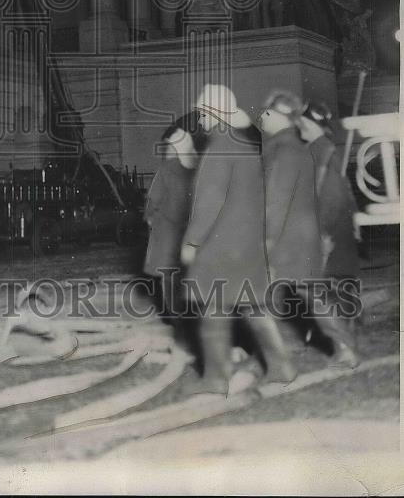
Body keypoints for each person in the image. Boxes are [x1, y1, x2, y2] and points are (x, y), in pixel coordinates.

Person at [181, 84, 295, 394]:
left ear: (217, 116)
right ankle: (281, 365)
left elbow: (209, 201)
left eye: (204, 114)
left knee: (213, 314)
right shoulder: (245, 146)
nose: (201, 120)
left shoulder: (218, 148)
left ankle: (216, 379)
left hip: (220, 247)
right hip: (247, 244)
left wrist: (192, 242)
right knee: (254, 308)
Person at [259, 92, 358, 367]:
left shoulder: (285, 150)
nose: (261, 116)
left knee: (302, 293)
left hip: (288, 235)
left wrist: (267, 237)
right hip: (298, 233)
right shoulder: (294, 147)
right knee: (307, 293)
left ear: (281, 116)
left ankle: (246, 350)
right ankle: (341, 345)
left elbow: (277, 198)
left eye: (267, 112)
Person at [143, 114, 203, 317]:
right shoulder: (201, 169)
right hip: (192, 233)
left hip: (167, 234)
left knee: (169, 275)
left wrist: (150, 217)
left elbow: (153, 201)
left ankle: (174, 315)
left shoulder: (166, 170)